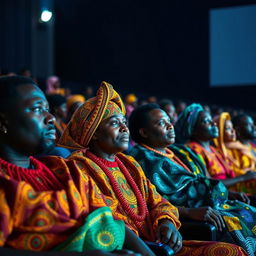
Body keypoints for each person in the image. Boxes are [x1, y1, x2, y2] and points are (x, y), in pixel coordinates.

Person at [58, 82, 247, 256]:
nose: (125, 128)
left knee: (235, 250)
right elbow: (109, 220)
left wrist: (167, 223)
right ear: (94, 133)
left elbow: (158, 201)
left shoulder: (128, 164)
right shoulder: (80, 167)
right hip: (131, 250)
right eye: (115, 123)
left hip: (161, 244)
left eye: (124, 121)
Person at [0, 75, 149, 256]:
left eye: (48, 110)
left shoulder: (64, 169)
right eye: (37, 109)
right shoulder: (5, 182)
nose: (51, 118)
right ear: (3, 122)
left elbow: (110, 219)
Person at [128, 103, 256, 255]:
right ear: (144, 132)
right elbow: (154, 202)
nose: (170, 126)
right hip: (187, 218)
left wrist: (227, 193)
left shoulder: (176, 151)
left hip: (211, 204)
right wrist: (188, 212)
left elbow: (201, 181)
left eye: (169, 120)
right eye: (162, 123)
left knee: (250, 212)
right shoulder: (143, 160)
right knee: (237, 224)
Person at [175, 103, 256, 196]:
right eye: (206, 121)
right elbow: (207, 182)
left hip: (229, 193)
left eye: (211, 120)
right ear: (193, 130)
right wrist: (243, 178)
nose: (213, 123)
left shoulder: (214, 150)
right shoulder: (192, 150)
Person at [213, 112, 256, 194]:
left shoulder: (253, 147)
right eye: (249, 124)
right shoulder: (227, 151)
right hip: (241, 194)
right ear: (238, 129)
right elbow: (231, 175)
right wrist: (246, 176)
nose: (254, 127)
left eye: (253, 124)